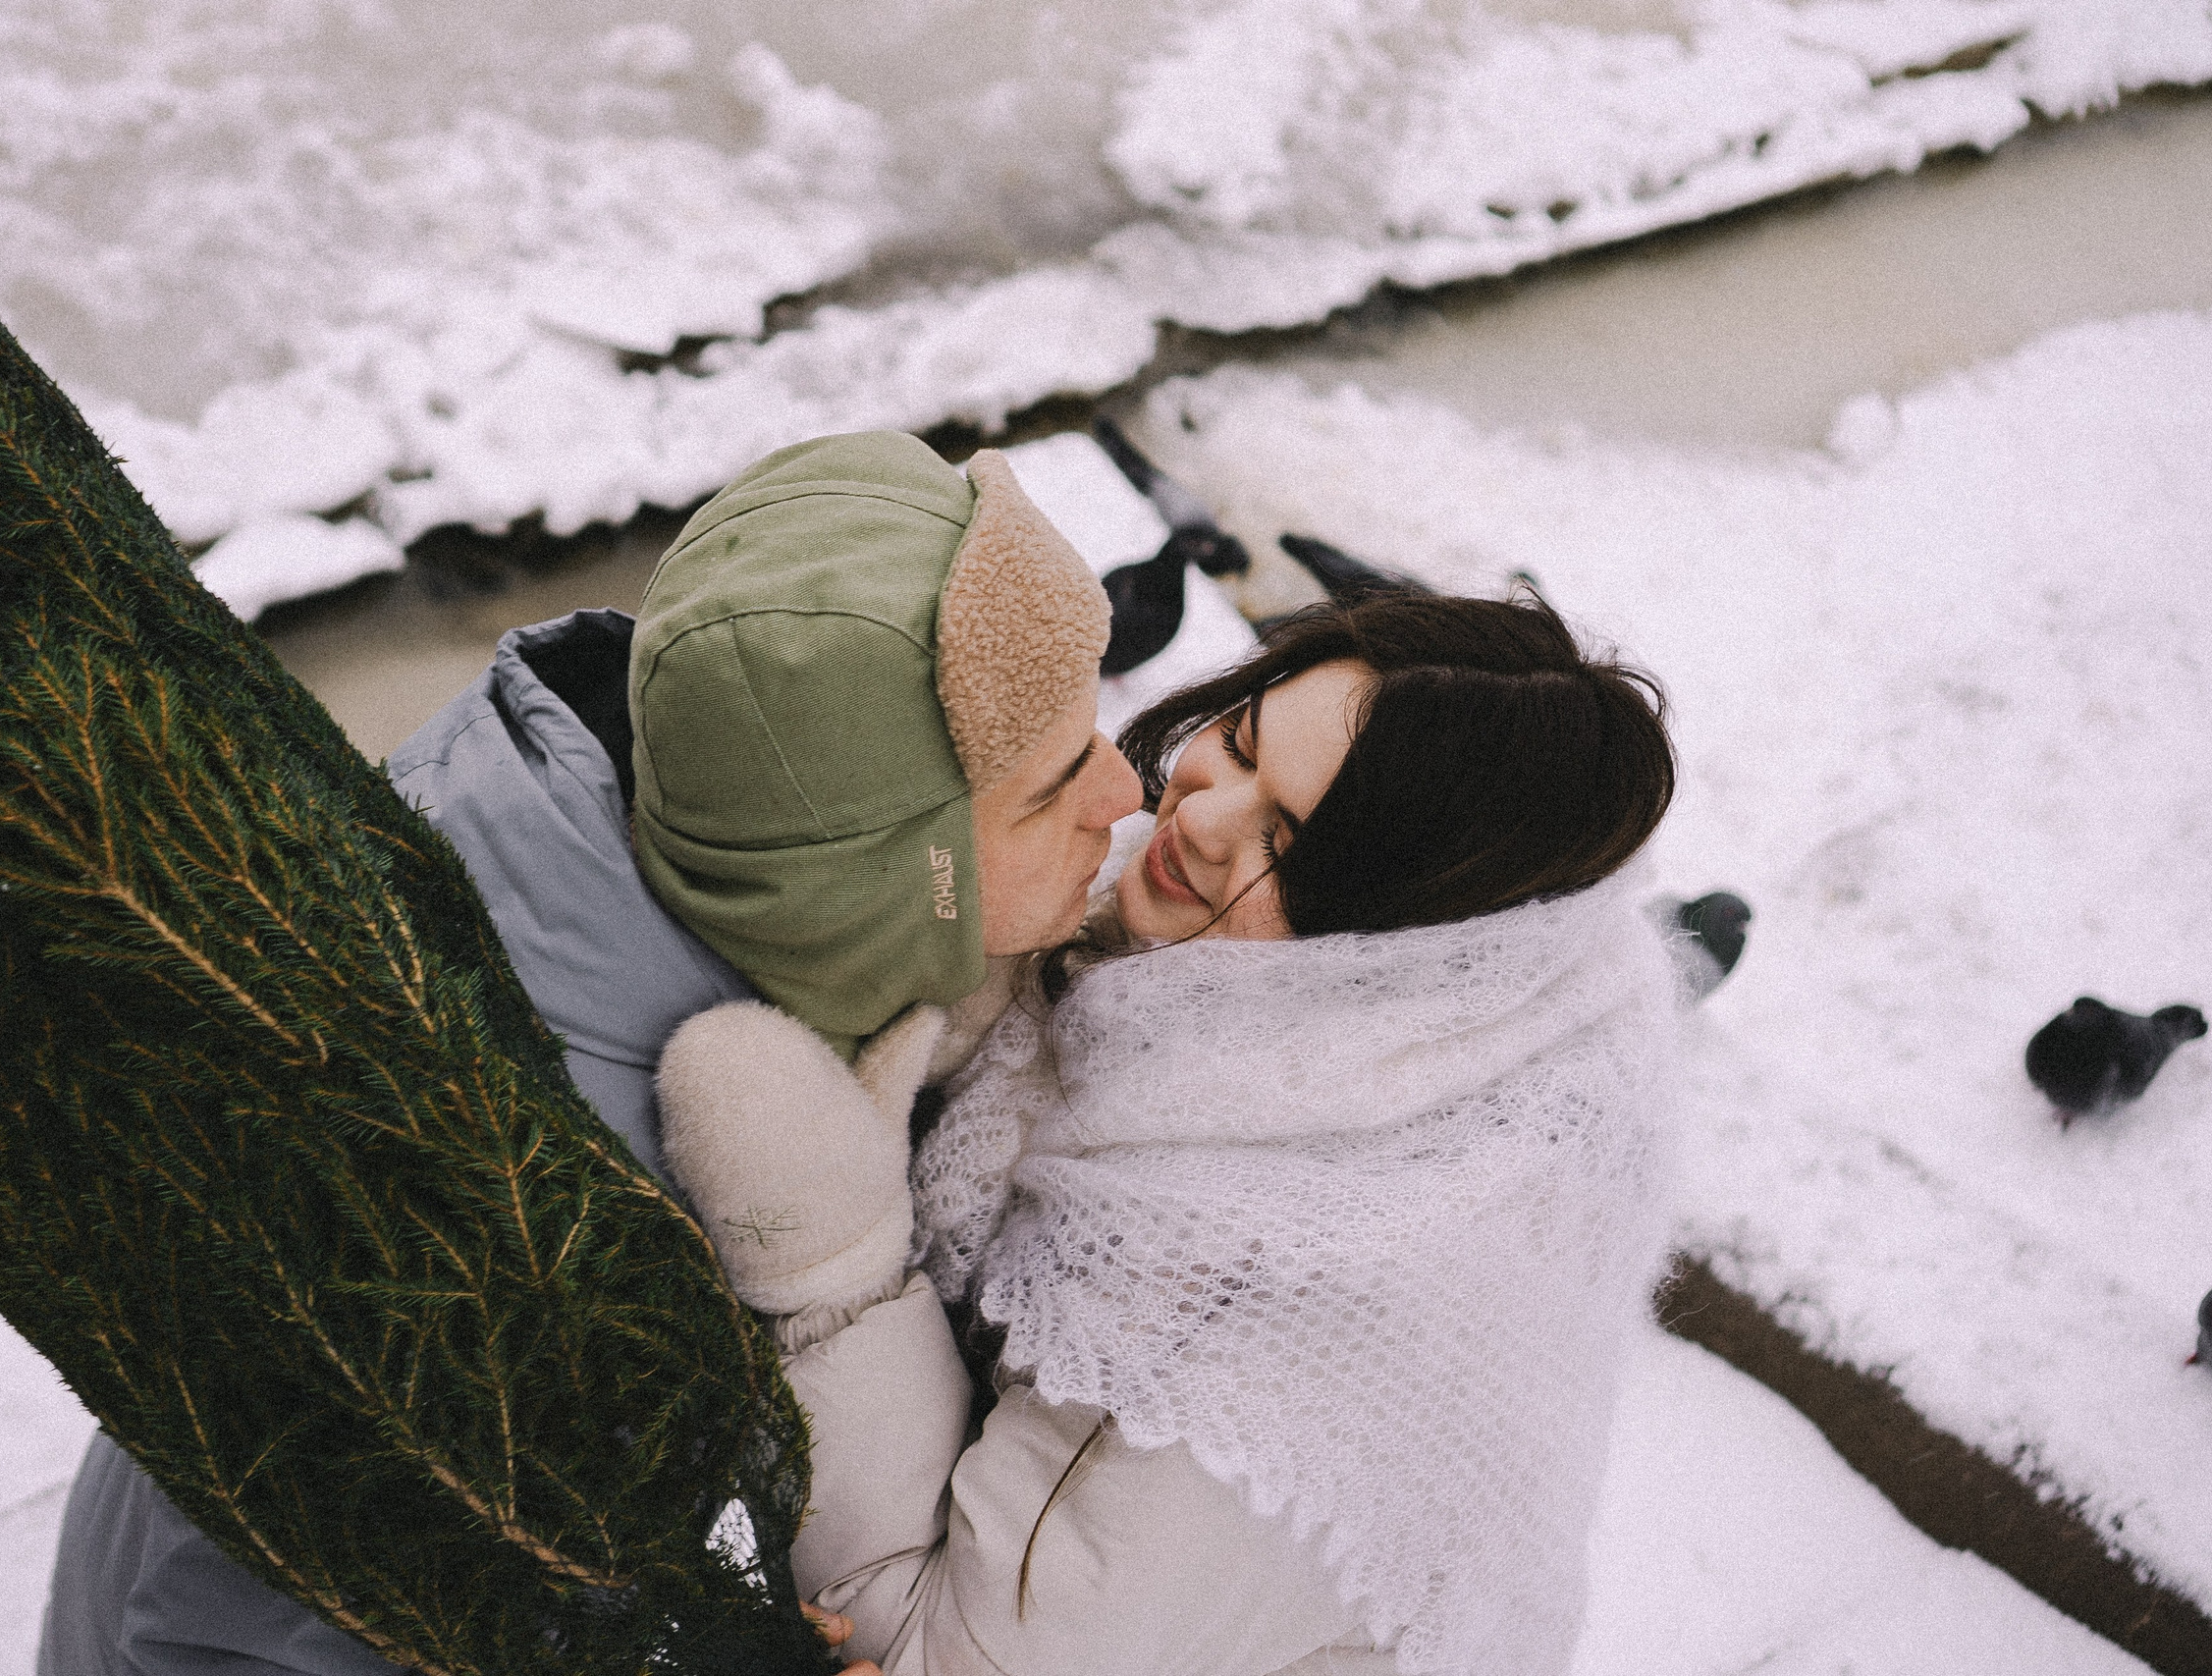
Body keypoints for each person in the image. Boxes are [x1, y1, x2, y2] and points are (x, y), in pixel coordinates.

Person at [36, 431, 1139, 1674]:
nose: (1125, 792)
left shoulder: (683, 852)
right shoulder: (496, 1207)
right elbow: (226, 1639)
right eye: (1050, 788)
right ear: (875, 887)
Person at [657, 588, 1682, 1676]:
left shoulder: (1241, 1306)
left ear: (1392, 944)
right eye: (1238, 741)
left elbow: (936, 1655)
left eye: (1284, 841)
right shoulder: (1415, 1007)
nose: (1196, 817)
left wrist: (828, 1258)